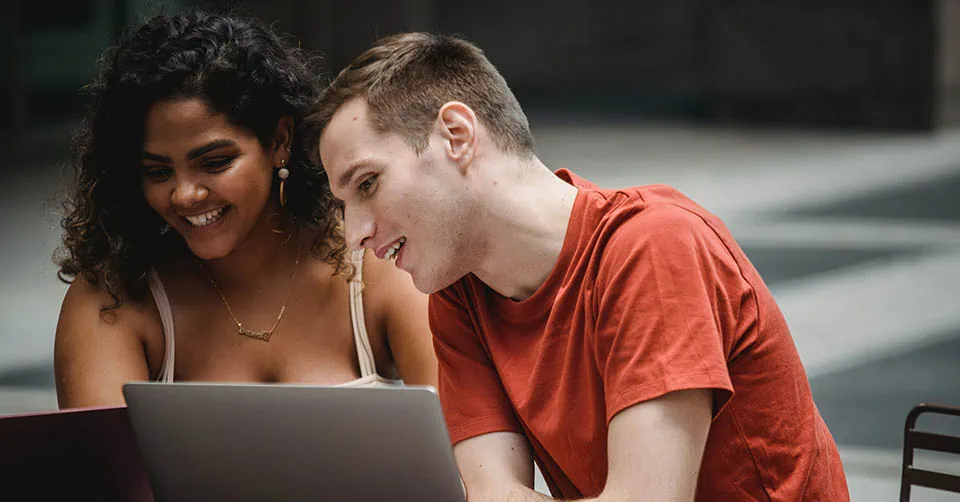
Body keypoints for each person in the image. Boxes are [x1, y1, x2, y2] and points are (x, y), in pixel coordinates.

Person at [306, 32, 850, 501]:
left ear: (457, 136)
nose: (354, 235)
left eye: (368, 183)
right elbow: (492, 493)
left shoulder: (653, 247)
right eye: (343, 204)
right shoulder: (460, 290)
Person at [54, 11, 436, 410]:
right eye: (158, 171)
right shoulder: (114, 298)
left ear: (280, 141)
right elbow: (105, 453)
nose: (185, 195)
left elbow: (461, 438)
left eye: (215, 162)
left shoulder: (375, 265)